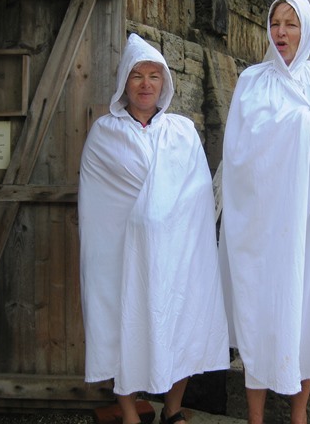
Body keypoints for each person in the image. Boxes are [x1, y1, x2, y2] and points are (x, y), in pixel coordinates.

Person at [218, 0, 310, 424]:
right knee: (258, 313)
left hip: (308, 215)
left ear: (306, 30)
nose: (281, 32)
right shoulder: (251, 80)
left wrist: (290, 135)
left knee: (302, 311)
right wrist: (294, 130)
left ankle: (298, 414)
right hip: (259, 220)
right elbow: (239, 149)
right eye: (275, 23)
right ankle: (255, 416)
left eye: (291, 24)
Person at [79, 33, 229, 424]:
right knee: (119, 325)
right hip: (119, 255)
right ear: (124, 83)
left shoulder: (182, 132)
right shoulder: (104, 133)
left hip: (177, 254)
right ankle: (130, 412)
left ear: (165, 83)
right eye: (137, 76)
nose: (146, 84)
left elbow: (195, 199)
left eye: (154, 76)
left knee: (181, 322)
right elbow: (99, 205)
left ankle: (173, 409)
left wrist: (172, 230)